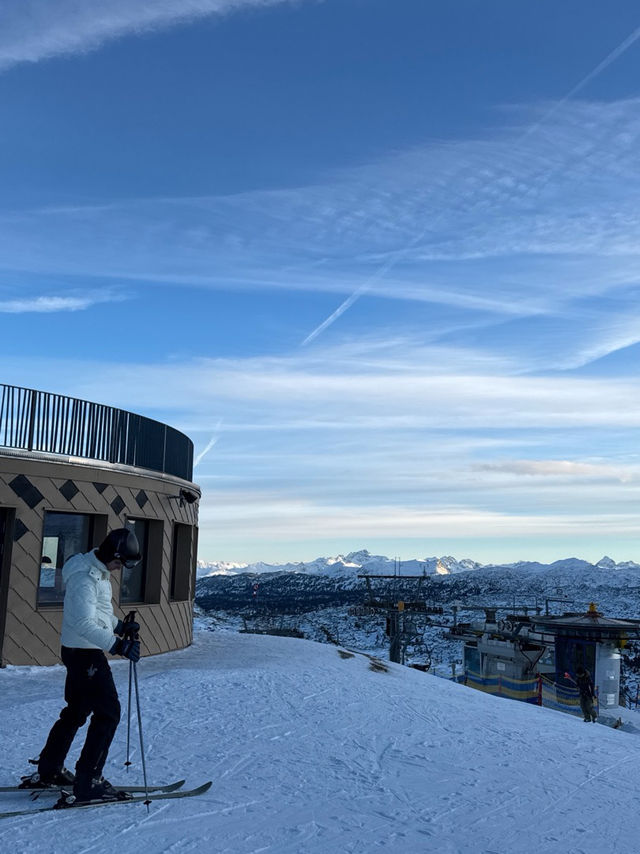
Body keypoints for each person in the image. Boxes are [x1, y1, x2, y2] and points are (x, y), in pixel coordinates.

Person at [22, 528, 143, 802]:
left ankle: (50, 770)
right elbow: (82, 622)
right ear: (112, 556)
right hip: (85, 653)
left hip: (79, 650)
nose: (119, 568)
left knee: (76, 711)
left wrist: (119, 626)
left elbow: (98, 612)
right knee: (109, 712)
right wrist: (118, 645)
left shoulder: (96, 572)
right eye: (120, 563)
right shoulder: (85, 579)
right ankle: (89, 780)